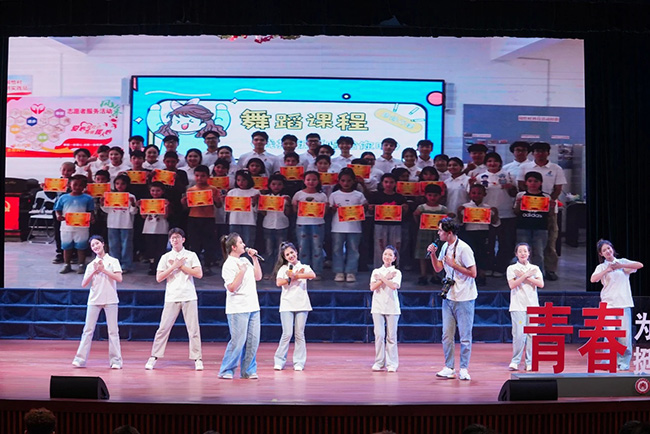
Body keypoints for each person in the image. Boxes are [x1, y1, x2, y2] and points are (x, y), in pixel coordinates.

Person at [145, 228, 204, 371]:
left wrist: (181, 266)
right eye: (172, 238)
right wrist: (173, 266)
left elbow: (198, 273)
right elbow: (159, 277)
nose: (175, 240)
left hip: (189, 295)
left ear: (183, 239)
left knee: (193, 329)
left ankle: (197, 358)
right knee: (163, 328)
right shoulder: (166, 257)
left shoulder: (191, 255)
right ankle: (154, 356)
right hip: (172, 296)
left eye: (177, 237)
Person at [428, 217, 477, 381]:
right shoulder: (445, 247)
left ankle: (464, 368)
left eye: (440, 230)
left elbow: (473, 273)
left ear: (449, 233)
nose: (438, 233)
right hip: (449, 296)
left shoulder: (464, 248)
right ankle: (449, 367)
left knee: (465, 336)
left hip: (465, 297)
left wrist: (454, 265)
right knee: (447, 335)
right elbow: (438, 268)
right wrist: (433, 254)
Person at [590, 239, 644, 371]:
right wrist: (607, 270)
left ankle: (623, 362)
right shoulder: (601, 267)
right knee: (609, 334)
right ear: (601, 254)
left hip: (623, 303)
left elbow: (640, 265)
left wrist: (620, 266)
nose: (607, 251)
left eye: (609, 248)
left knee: (624, 335)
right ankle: (607, 360)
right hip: (608, 304)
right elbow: (593, 279)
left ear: (612, 249)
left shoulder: (622, 262)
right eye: (604, 250)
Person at [516, 141, 567, 281]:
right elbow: (521, 185)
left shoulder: (556, 168)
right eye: (537, 151)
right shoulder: (525, 167)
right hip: (527, 212)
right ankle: (524, 271)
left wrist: (547, 202)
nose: (540, 154)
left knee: (550, 242)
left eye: (543, 151)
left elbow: (558, 188)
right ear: (533, 153)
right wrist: (531, 200)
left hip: (549, 211)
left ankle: (550, 270)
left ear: (548, 153)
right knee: (525, 243)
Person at [71, 235, 123, 368]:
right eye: (93, 245)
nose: (95, 246)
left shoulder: (113, 261)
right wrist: (94, 271)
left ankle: (116, 361)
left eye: (97, 243)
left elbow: (119, 278)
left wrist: (103, 270)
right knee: (88, 330)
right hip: (94, 300)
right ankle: (80, 359)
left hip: (111, 299)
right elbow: (84, 284)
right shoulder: (90, 265)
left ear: (103, 244)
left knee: (113, 331)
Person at [218, 233, 262, 379]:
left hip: (253, 305)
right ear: (233, 247)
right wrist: (241, 272)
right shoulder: (228, 264)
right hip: (238, 308)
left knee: (253, 341)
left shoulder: (245, 260)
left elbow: (258, 277)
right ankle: (226, 370)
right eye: (241, 242)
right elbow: (232, 287)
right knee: (238, 341)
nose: (244, 245)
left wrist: (254, 259)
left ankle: (248, 371)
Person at [273, 241, 315, 371]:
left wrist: (296, 275)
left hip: (302, 304)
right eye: (287, 254)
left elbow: (312, 275)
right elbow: (279, 282)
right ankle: (279, 360)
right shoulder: (283, 269)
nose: (291, 256)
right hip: (287, 304)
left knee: (299, 334)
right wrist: (290, 278)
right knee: (287, 333)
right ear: (284, 257)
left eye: (292, 252)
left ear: (296, 252)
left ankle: (299, 362)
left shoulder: (304, 267)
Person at [507, 243, 543, 371]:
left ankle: (530, 362)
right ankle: (515, 361)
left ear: (529, 253)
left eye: (525, 251)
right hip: (518, 306)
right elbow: (512, 285)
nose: (523, 253)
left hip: (533, 305)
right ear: (516, 254)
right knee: (519, 335)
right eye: (520, 251)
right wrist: (526, 275)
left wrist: (524, 276)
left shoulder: (535, 268)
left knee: (532, 334)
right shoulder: (512, 268)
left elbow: (541, 284)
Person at [182, 164, 222, 276]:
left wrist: (216, 200)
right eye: (197, 175)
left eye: (203, 176)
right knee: (194, 243)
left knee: (208, 243)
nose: (200, 178)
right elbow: (186, 208)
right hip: (194, 218)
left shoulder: (213, 189)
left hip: (208, 219)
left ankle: (207, 265)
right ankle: (194, 266)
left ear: (208, 176)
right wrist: (184, 202)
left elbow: (219, 205)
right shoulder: (191, 190)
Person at [329, 167, 368, 282]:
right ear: (339, 181)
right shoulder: (334, 195)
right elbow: (329, 211)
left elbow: (365, 208)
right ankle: (339, 271)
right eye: (343, 181)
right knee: (337, 249)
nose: (346, 183)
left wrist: (365, 207)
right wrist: (333, 209)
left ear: (353, 181)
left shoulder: (358, 195)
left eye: (349, 181)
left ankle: (351, 271)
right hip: (337, 227)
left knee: (354, 250)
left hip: (355, 227)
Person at [54, 174, 95, 274]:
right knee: (66, 246)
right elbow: (57, 209)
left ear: (84, 186)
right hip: (66, 227)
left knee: (81, 246)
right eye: (75, 184)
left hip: (82, 228)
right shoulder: (63, 198)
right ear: (69, 185)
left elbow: (90, 211)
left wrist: (92, 218)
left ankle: (81, 264)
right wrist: (58, 215)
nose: (77, 187)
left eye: (81, 185)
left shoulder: (88, 198)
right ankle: (67, 264)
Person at [370, 245, 402, 372]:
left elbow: (394, 286)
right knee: (379, 335)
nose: (387, 257)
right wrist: (386, 278)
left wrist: (383, 278)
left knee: (391, 337)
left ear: (394, 258)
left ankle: (392, 363)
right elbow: (372, 287)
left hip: (392, 307)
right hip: (377, 306)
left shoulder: (396, 272)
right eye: (385, 254)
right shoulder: (376, 271)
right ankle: (379, 362)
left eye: (390, 255)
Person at [514, 171, 552, 274]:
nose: (533, 183)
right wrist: (518, 204)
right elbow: (516, 212)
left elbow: (550, 214)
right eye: (530, 181)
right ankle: (522, 273)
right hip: (523, 226)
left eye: (536, 181)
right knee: (523, 252)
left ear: (541, 183)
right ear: (526, 182)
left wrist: (551, 206)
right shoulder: (521, 195)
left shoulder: (546, 196)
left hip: (540, 227)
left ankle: (538, 274)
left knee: (539, 253)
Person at [293, 171, 328, 280]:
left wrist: (323, 207)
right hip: (302, 223)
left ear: (318, 181)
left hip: (318, 224)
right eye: (308, 179)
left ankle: (317, 271)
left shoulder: (322, 195)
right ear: (304, 181)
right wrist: (297, 206)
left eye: (314, 180)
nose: (311, 182)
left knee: (317, 248)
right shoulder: (299, 194)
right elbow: (294, 210)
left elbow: (325, 212)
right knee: (302, 247)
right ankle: (303, 271)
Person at [101, 174, 138, 274]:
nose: (120, 186)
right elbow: (107, 210)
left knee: (126, 245)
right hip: (112, 224)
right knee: (113, 245)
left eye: (122, 184)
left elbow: (133, 212)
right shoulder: (110, 196)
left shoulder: (131, 196)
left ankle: (126, 265)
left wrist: (133, 204)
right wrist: (102, 203)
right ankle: (114, 265)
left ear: (127, 185)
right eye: (117, 184)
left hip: (126, 224)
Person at [413, 183, 448, 285]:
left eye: (435, 195)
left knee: (437, 253)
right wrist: (418, 219)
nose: (432, 198)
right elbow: (416, 217)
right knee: (423, 254)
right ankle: (423, 275)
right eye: (430, 195)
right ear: (425, 195)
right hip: (424, 233)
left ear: (440, 196)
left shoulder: (443, 209)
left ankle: (435, 275)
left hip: (438, 234)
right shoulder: (421, 207)